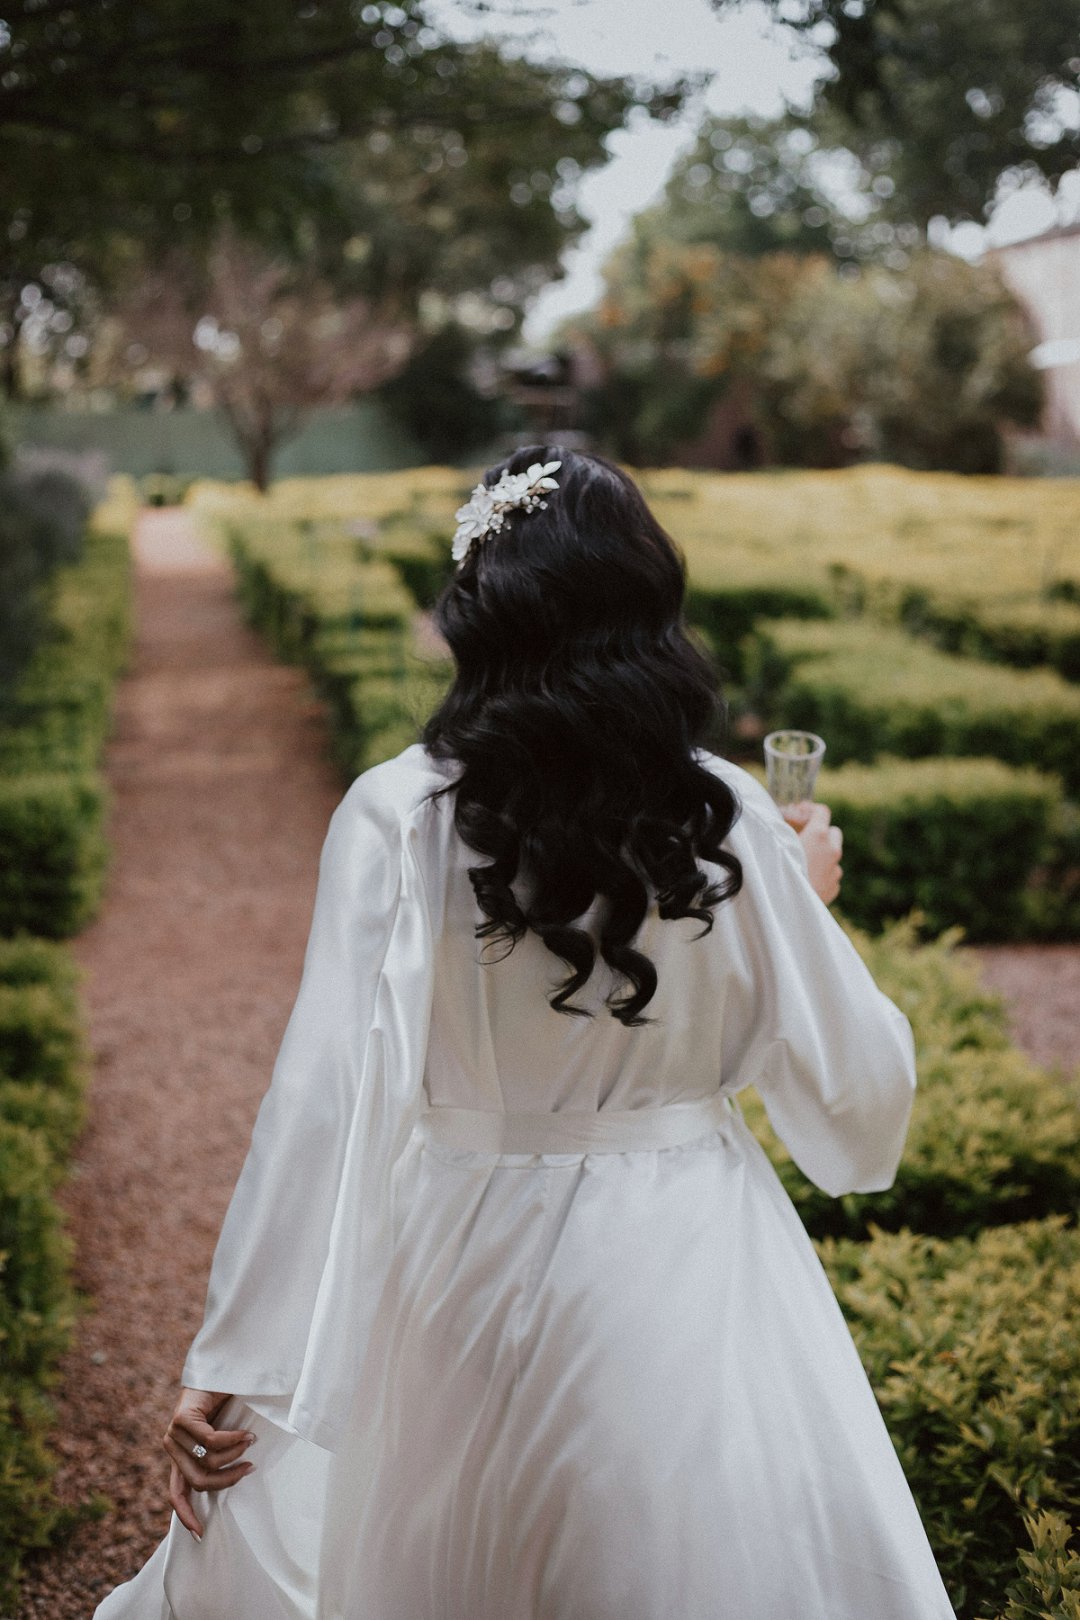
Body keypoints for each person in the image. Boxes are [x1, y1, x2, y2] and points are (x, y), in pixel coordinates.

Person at [95, 447, 955, 1620]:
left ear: (481, 611)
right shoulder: (730, 814)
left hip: (463, 1248)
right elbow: (863, 1092)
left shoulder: (399, 815)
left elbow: (320, 1104)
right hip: (689, 1249)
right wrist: (797, 899)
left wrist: (236, 1355)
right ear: (646, 606)